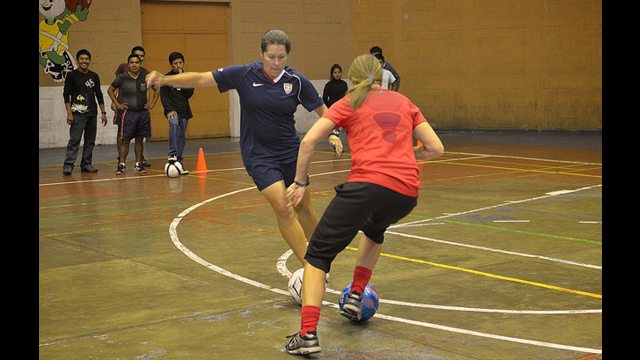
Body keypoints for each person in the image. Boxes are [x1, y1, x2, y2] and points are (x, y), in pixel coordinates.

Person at [283, 54, 444, 355]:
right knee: (374, 229)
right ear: (382, 76)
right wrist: (414, 156)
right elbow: (436, 148)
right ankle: (356, 294)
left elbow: (308, 142)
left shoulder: (349, 103)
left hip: (367, 185)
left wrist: (300, 182)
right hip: (406, 193)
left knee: (317, 255)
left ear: (352, 80)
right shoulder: (404, 101)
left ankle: (307, 334)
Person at [146, 29, 344, 266]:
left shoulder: (296, 81)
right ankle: (312, 268)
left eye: (281, 57)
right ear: (261, 53)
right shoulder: (244, 74)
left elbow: (324, 111)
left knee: (304, 206)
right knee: (283, 206)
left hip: (291, 152)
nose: (276, 62)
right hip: (258, 155)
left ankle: (321, 259)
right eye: (271, 56)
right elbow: (201, 78)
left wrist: (332, 134)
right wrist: (164, 79)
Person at [107, 53, 159, 175]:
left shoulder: (146, 77)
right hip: (128, 114)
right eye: (132, 62)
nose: (134, 65)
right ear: (128, 64)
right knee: (125, 140)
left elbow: (157, 88)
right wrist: (118, 104)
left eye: (137, 62)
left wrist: (152, 103)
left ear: (140, 64)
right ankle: (122, 165)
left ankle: (138, 164)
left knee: (140, 140)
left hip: (142, 114)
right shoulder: (122, 78)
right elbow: (110, 90)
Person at [62, 49, 108, 175]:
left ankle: (86, 164)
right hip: (77, 114)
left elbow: (99, 95)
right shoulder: (72, 75)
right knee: (74, 140)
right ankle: (68, 165)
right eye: (82, 59)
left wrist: (103, 112)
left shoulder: (94, 76)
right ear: (78, 60)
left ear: (89, 61)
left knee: (90, 141)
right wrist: (69, 112)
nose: (84, 61)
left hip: (92, 114)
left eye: (86, 59)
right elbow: (66, 95)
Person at [113, 46, 151, 167]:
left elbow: (149, 89)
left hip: (139, 108)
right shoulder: (123, 68)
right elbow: (115, 85)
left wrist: (148, 102)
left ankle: (140, 160)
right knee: (122, 133)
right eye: (136, 56)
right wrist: (115, 102)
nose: (138, 59)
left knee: (139, 136)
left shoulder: (145, 73)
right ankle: (121, 159)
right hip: (124, 107)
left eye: (141, 56)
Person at [160, 51, 195, 174]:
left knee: (181, 137)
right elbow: (164, 96)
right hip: (172, 111)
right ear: (171, 65)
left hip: (184, 111)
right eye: (175, 63)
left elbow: (189, 94)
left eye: (180, 62)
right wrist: (169, 110)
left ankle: (180, 163)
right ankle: (172, 154)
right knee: (174, 124)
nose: (178, 65)